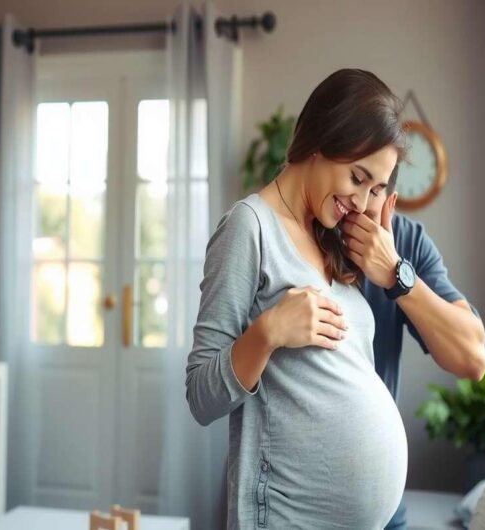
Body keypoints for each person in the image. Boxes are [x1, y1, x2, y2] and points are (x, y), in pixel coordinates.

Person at [186, 69, 415, 529]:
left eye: (376, 188)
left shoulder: (329, 238)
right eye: (357, 177)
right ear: (320, 139)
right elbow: (200, 396)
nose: (363, 200)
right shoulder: (248, 228)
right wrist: (269, 331)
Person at [341, 163, 485, 530]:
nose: (357, 208)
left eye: (373, 192)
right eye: (353, 181)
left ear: (389, 201)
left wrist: (395, 273)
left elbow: (474, 358)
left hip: (380, 502)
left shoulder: (405, 240)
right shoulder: (288, 233)